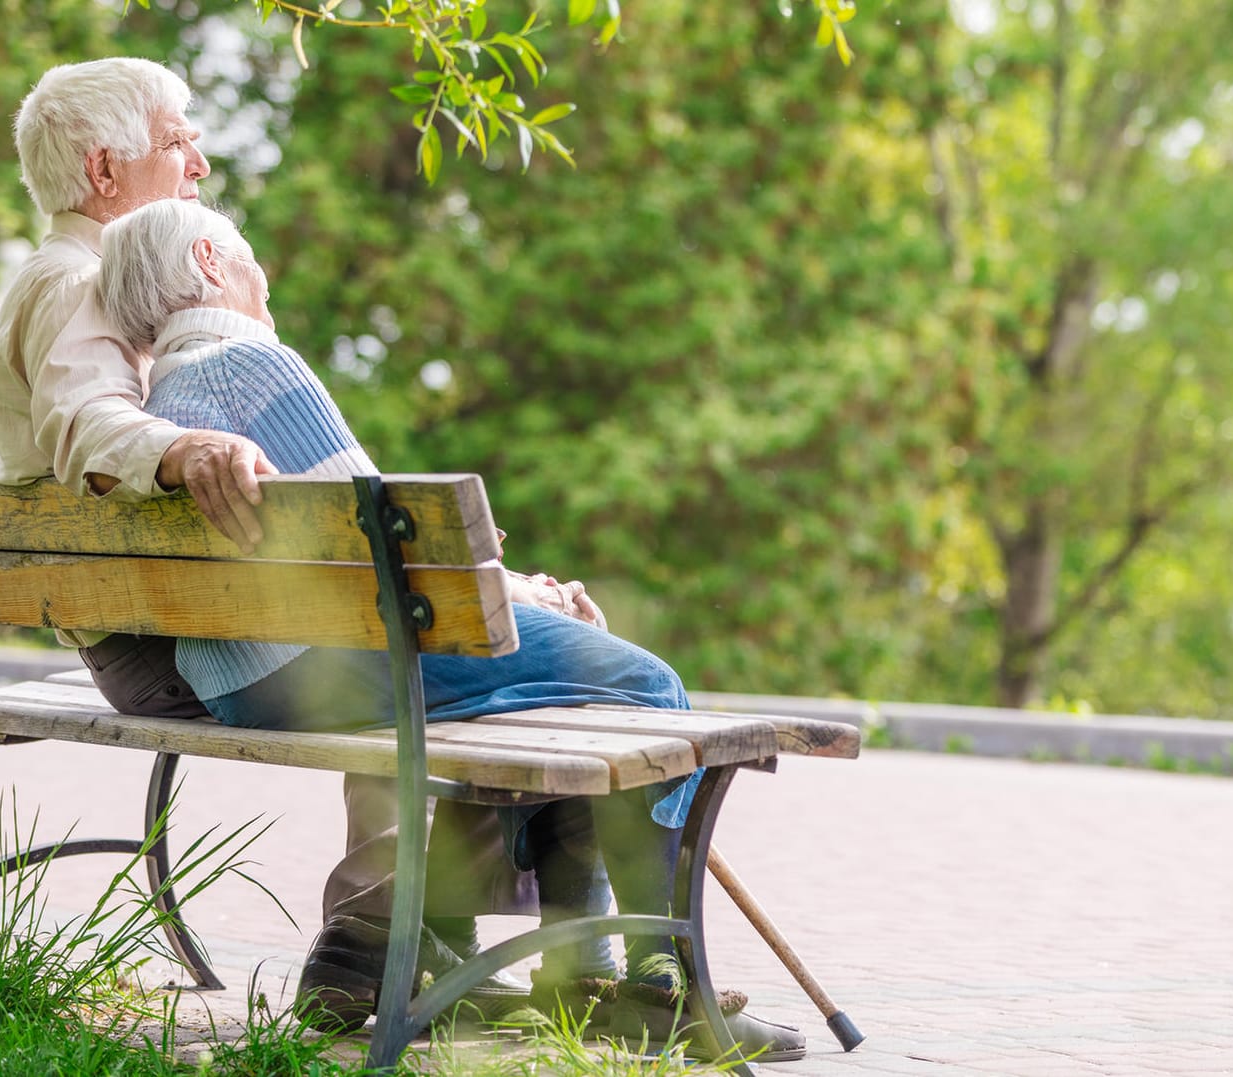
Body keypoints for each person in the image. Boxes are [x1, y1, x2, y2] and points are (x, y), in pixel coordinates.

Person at [95, 197, 806, 1061]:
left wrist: (514, 592)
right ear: (210, 260)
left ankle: (584, 971)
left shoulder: (160, 402)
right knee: (645, 688)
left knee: (563, 701)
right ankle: (661, 985)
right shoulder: (252, 366)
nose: (263, 275)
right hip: (330, 661)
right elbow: (388, 555)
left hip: (238, 684)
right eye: (250, 257)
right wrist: (534, 598)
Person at [0, 58, 532, 1027]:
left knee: (388, 629)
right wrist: (183, 444)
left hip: (157, 619)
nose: (198, 161)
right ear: (105, 171)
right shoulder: (78, 283)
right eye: (177, 138)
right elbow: (83, 420)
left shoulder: (86, 279)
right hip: (165, 642)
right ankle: (383, 942)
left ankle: (405, 946)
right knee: (445, 649)